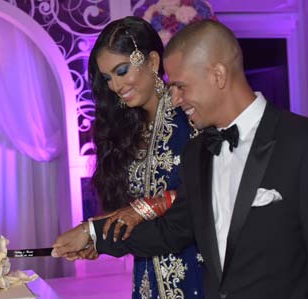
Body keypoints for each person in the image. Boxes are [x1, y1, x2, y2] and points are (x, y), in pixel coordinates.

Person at [52, 20, 308, 299]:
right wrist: (94, 236)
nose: (177, 99)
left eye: (180, 86)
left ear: (218, 74)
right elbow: (174, 230)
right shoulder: (200, 153)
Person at [69, 16, 204, 299]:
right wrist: (97, 235)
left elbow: (209, 192)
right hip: (147, 276)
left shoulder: (190, 116)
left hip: (196, 270)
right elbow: (129, 209)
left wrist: (100, 228)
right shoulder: (128, 132)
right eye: (108, 78)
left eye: (121, 71)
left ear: (153, 62)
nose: (115, 86)